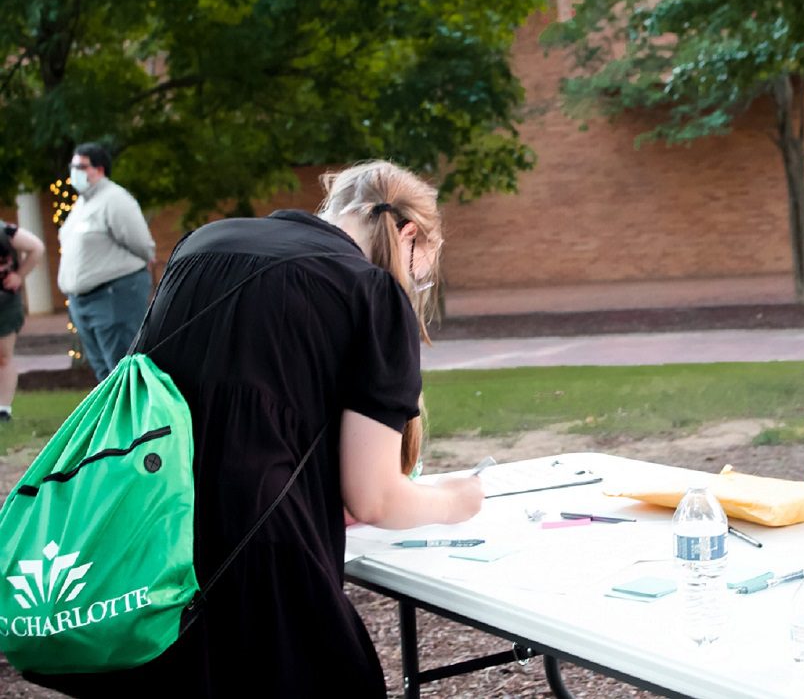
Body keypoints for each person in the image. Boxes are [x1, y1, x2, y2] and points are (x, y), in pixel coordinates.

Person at [31, 161, 483, 698]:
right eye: (422, 273)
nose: (416, 285)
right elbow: (376, 499)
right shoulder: (372, 293)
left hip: (149, 543)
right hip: (261, 568)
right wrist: (459, 500)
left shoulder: (204, 244)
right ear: (408, 234)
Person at [57, 142, 156, 381]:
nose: (74, 171)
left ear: (99, 169)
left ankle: (133, 418)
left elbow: (143, 245)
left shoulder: (115, 200)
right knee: (102, 371)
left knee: (120, 367)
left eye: (81, 166)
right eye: (72, 166)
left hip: (113, 295)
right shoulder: (82, 204)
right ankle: (112, 418)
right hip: (82, 301)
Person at [0, 222, 45, 421]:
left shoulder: (4, 231)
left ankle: (3, 409)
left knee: (3, 356)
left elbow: (37, 247)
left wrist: (19, 275)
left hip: (4, 304)